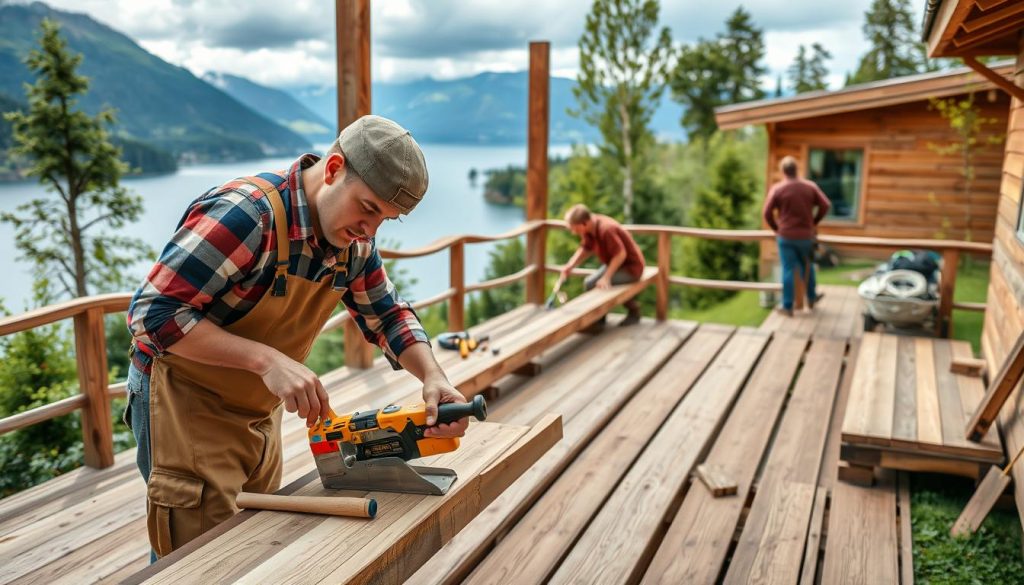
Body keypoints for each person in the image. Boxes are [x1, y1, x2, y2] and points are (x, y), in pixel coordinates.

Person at [124, 115, 469, 559]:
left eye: (386, 219)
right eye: (367, 208)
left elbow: (387, 315)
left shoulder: (354, 245)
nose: (371, 231)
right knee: (197, 558)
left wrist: (433, 377)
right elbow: (152, 314)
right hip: (181, 402)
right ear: (333, 170)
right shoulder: (247, 215)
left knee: (252, 544)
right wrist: (267, 361)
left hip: (256, 412)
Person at [763, 155, 831, 316]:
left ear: (782, 171)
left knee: (788, 270)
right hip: (806, 236)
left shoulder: (778, 189)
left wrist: (776, 228)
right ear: (797, 169)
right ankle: (812, 297)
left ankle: (787, 306)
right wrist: (814, 222)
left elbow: (766, 213)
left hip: (786, 237)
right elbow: (825, 205)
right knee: (808, 267)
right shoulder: (810, 186)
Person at [560, 203, 644, 326]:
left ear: (585, 223)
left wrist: (606, 278)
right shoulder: (590, 228)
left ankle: (634, 312)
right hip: (615, 264)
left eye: (576, 229)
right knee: (589, 283)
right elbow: (586, 248)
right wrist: (570, 265)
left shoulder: (606, 229)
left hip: (631, 268)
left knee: (598, 284)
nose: (574, 232)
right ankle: (599, 319)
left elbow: (620, 254)